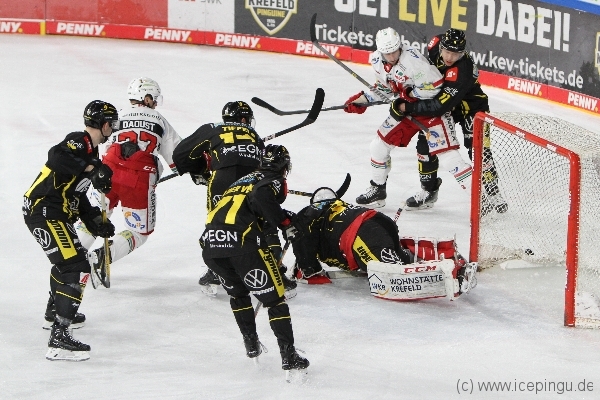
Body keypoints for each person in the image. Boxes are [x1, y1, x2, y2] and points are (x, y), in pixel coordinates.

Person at [200, 144, 309, 372]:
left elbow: (245, 210)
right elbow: (261, 196)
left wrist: (282, 218)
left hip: (212, 246)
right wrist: (285, 223)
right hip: (242, 247)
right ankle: (288, 356)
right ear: (284, 166)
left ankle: (251, 344)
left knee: (238, 295)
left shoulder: (241, 181)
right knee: (275, 300)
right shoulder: (272, 179)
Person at [23, 100, 117, 361]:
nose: (113, 128)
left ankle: (55, 313)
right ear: (103, 124)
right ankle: (59, 339)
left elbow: (77, 193)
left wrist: (94, 220)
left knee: (68, 261)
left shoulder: (92, 152)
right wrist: (93, 169)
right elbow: (56, 156)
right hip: (44, 211)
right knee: (75, 266)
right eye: (112, 123)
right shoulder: (80, 141)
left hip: (54, 213)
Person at [344, 27, 473, 210]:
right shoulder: (376, 61)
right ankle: (378, 189)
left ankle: (481, 199)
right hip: (406, 110)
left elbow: (434, 89)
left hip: (429, 110)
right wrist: (363, 100)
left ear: (400, 46)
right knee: (378, 146)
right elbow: (385, 89)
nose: (391, 57)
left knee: (448, 158)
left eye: (394, 51)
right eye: (387, 53)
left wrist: (407, 95)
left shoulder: (413, 61)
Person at [76, 77, 182, 287]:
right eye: (154, 98)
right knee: (139, 232)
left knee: (93, 218)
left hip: (106, 172)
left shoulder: (117, 115)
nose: (155, 103)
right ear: (147, 97)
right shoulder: (160, 120)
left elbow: (102, 145)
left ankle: (71, 258)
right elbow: (177, 159)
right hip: (138, 179)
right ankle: (103, 256)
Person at [394, 28, 507, 214]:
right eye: (447, 51)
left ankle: (493, 192)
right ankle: (429, 191)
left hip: (472, 108)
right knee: (425, 144)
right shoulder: (434, 44)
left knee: (478, 149)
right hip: (447, 104)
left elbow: (439, 106)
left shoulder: (463, 70)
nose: (450, 57)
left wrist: (408, 107)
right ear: (441, 46)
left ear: (463, 53)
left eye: (456, 54)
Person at [291, 187, 477, 299]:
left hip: (359, 234)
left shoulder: (309, 213)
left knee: (392, 275)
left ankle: (451, 274)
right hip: (379, 221)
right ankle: (445, 253)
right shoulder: (339, 207)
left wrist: (308, 268)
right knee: (400, 257)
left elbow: (300, 238)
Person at [172, 101, 274, 294]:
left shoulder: (212, 128)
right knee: (257, 223)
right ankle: (272, 269)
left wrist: (199, 170)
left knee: (219, 223)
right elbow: (265, 164)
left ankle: (217, 271)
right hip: (252, 181)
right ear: (243, 119)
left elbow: (180, 154)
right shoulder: (254, 135)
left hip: (222, 180)